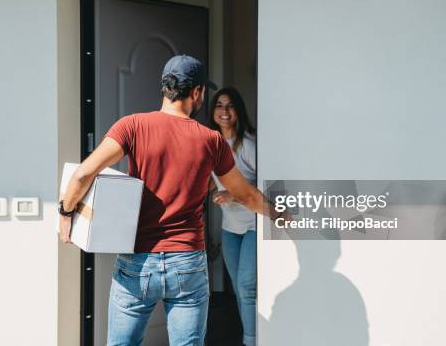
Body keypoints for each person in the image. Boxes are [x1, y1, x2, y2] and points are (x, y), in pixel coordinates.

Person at [58, 55, 283, 346]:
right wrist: (281, 214)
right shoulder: (210, 140)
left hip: (137, 259)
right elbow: (245, 195)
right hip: (186, 261)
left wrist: (66, 213)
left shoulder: (132, 126)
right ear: (197, 92)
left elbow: (82, 176)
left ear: (165, 88)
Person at [209, 88, 257, 346]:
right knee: (239, 289)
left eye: (230, 106)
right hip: (231, 227)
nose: (224, 111)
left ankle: (251, 341)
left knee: (247, 286)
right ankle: (252, 336)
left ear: (238, 111)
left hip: (253, 225)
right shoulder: (212, 144)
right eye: (219, 105)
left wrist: (232, 196)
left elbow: (266, 189)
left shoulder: (248, 145)